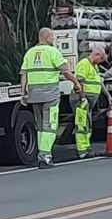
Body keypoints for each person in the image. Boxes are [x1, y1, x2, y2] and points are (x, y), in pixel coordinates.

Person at [20, 28, 82, 169]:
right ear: (47, 37)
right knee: (50, 125)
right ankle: (45, 157)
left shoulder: (29, 53)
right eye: (52, 37)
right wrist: (76, 82)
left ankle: (41, 155)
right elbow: (65, 71)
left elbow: (24, 75)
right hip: (50, 95)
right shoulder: (53, 52)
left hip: (34, 95)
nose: (53, 39)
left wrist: (23, 93)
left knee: (40, 126)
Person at [71, 47, 107, 159]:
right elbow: (79, 81)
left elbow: (99, 83)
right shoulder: (84, 64)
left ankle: (86, 147)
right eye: (100, 59)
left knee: (87, 124)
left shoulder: (94, 66)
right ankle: (82, 150)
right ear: (96, 54)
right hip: (81, 99)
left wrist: (108, 96)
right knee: (82, 124)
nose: (100, 62)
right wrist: (82, 97)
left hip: (87, 100)